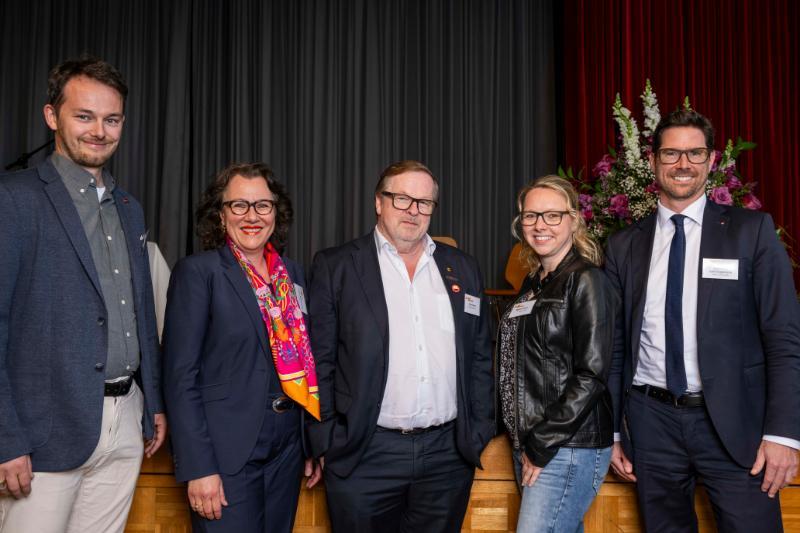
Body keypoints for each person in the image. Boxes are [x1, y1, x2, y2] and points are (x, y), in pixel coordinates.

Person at [604, 109, 800, 532]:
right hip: (651, 423)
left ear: (711, 160)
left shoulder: (751, 231)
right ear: (653, 160)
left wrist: (783, 434)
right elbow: (615, 347)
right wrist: (615, 433)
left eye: (694, 153)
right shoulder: (623, 245)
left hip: (735, 424)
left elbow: (783, 337)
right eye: (671, 153)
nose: (683, 164)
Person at [0, 56, 166, 532]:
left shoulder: (129, 208)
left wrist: (153, 402)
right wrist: (6, 438)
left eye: (111, 119)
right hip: (43, 434)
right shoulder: (14, 199)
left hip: (125, 421)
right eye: (84, 116)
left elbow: (140, 311)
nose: (99, 131)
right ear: (52, 116)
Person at [306, 160, 495, 532]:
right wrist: (326, 441)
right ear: (379, 202)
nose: (413, 210)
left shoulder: (463, 267)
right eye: (402, 199)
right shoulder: (337, 266)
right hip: (365, 454)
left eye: (424, 202)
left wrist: (478, 431)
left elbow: (479, 356)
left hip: (446, 457)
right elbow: (319, 361)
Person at [162, 162, 322, 532]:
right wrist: (198, 466)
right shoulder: (198, 273)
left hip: (287, 448)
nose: (252, 216)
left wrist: (310, 443)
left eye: (262, 205)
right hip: (225, 450)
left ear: (275, 213)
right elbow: (179, 377)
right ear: (220, 215)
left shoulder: (293, 275)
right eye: (239, 205)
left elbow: (308, 360)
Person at [498, 175, 616, 532]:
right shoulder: (533, 283)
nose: (540, 225)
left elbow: (592, 375)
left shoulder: (586, 279)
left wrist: (542, 443)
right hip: (533, 441)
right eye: (531, 216)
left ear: (573, 220)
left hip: (566, 445)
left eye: (552, 215)